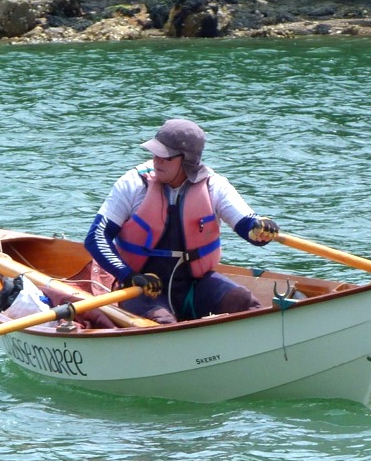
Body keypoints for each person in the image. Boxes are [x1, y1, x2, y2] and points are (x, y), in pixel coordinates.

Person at [84, 118, 280, 324]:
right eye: (155, 153)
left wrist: (259, 229)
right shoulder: (133, 184)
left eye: (165, 157)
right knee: (162, 322)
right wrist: (128, 275)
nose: (156, 160)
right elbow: (96, 236)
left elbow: (246, 223)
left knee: (243, 301)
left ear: (186, 159)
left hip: (194, 288)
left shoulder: (215, 186)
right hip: (142, 287)